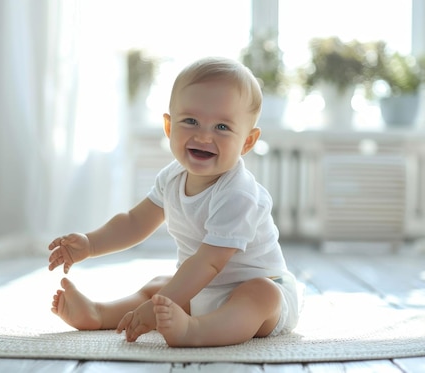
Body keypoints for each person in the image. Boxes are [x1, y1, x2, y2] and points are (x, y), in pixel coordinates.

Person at [48, 56, 301, 347]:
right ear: (169, 127)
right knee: (159, 286)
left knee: (258, 294)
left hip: (262, 297)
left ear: (247, 142)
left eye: (222, 127)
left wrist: (170, 298)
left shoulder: (239, 194)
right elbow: (134, 222)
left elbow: (208, 263)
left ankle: (195, 331)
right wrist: (91, 244)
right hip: (203, 288)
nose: (204, 135)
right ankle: (99, 312)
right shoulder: (172, 177)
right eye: (191, 121)